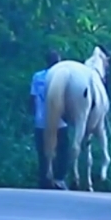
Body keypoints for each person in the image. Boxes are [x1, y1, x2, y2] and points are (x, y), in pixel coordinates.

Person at [29, 50, 69, 189]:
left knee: (42, 151)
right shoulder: (62, 78)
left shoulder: (37, 76)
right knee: (63, 150)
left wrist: (34, 114)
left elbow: (33, 97)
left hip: (41, 120)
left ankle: (44, 178)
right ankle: (59, 177)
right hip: (59, 120)